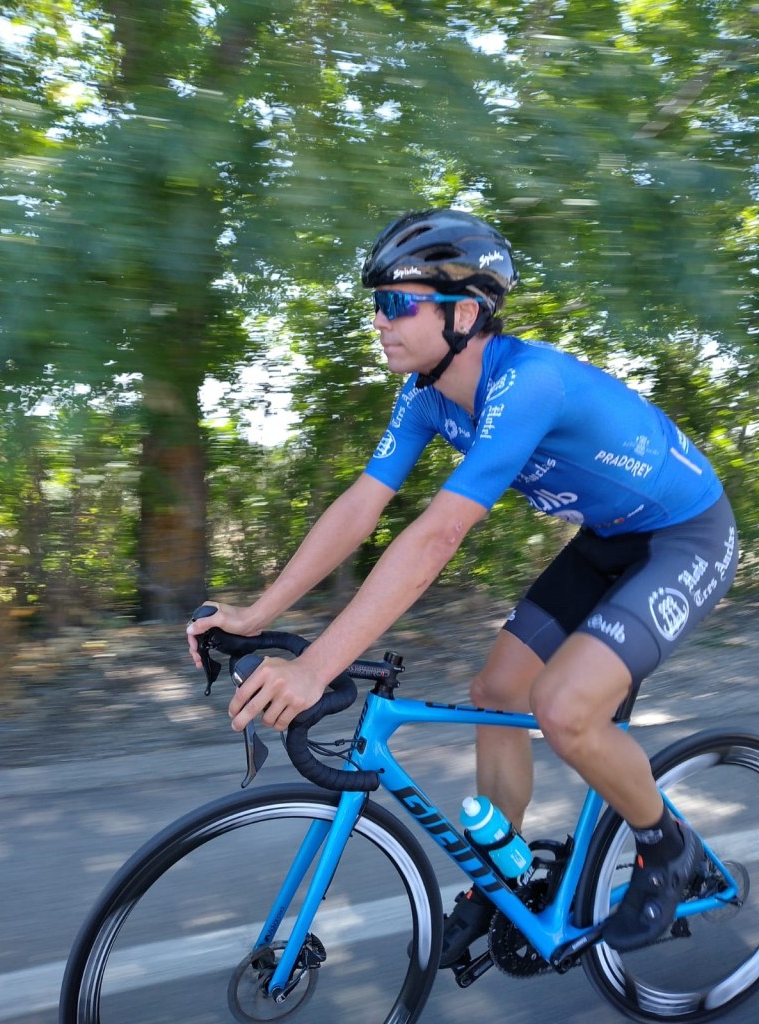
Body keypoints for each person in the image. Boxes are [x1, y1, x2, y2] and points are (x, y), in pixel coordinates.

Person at [188, 208, 738, 960]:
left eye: (396, 303)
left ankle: (668, 848)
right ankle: (502, 880)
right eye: (376, 304)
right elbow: (360, 508)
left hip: (686, 537)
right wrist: (257, 613)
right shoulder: (425, 395)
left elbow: (437, 537)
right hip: (608, 540)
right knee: (498, 690)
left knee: (564, 708)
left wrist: (315, 668)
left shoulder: (528, 384)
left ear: (466, 314)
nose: (379, 321)